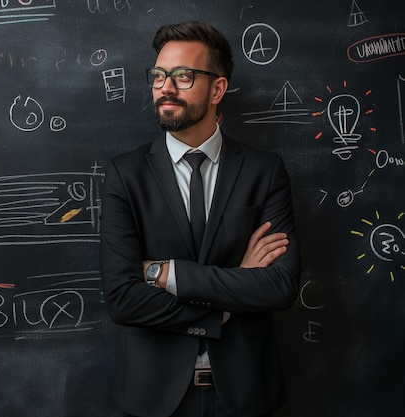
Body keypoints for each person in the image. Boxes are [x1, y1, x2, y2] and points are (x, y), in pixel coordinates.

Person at [100, 21, 301, 417]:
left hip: (245, 395)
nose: (165, 87)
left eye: (183, 76)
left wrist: (166, 273)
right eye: (158, 75)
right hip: (153, 398)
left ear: (218, 89)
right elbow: (123, 300)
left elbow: (279, 286)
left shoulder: (265, 171)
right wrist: (233, 292)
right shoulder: (125, 175)